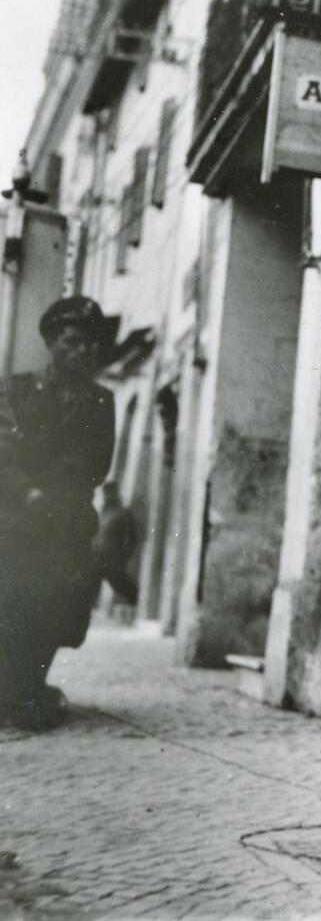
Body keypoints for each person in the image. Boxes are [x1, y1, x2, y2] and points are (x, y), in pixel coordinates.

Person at [0, 296, 115, 730]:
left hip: (64, 523)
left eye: (91, 345)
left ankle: (30, 690)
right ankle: (13, 692)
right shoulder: (16, 389)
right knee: (9, 603)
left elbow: (96, 464)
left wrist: (60, 493)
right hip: (14, 520)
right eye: (72, 341)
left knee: (56, 609)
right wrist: (28, 492)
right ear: (52, 342)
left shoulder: (102, 402)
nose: (83, 352)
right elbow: (2, 451)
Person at [93, 483, 139, 608]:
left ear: (116, 493)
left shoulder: (123, 513)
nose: (108, 496)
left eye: (111, 493)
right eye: (106, 493)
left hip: (113, 559)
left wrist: (124, 556)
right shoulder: (102, 512)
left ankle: (133, 603)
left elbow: (132, 538)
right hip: (97, 556)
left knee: (120, 583)